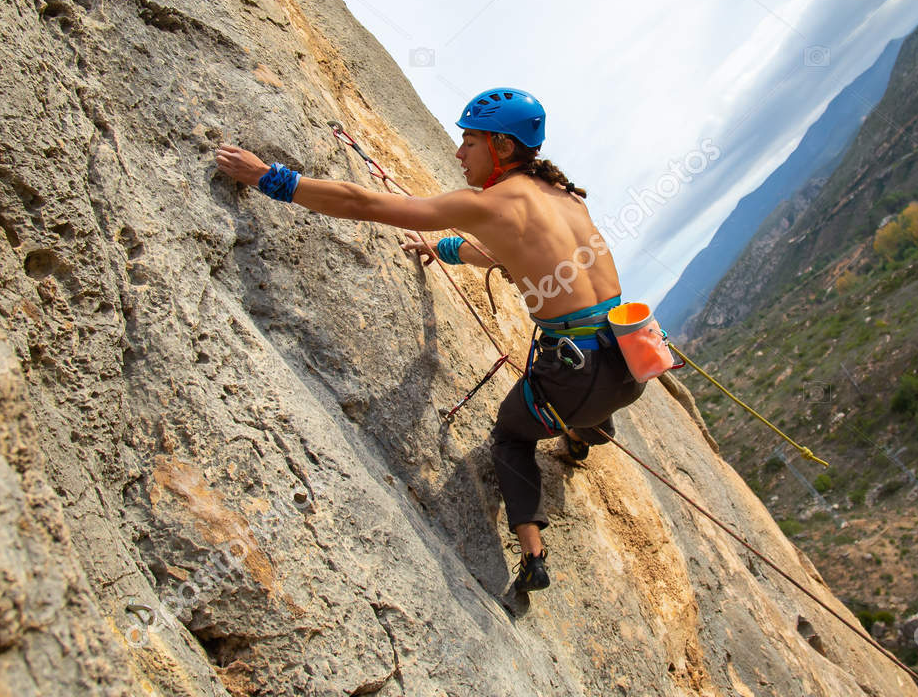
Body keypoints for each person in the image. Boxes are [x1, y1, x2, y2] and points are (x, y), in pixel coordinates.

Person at [213, 87, 645, 594]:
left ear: (503, 146)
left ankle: (533, 555)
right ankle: (589, 434)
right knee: (584, 400)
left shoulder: (490, 203)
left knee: (511, 434)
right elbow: (510, 251)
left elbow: (363, 202)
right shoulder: (564, 196)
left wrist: (270, 177)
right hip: (630, 362)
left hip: (575, 378)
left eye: (470, 142)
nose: (459, 154)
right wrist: (444, 249)